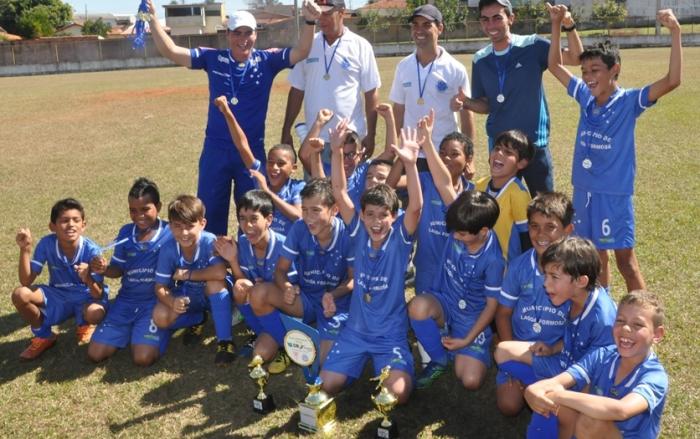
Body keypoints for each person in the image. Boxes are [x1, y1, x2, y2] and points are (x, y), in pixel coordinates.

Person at [146, 0, 321, 235]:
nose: (243, 39)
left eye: (248, 32)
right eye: (237, 33)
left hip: (250, 153)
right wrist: (154, 20)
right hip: (216, 149)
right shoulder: (212, 58)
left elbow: (301, 51)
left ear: (255, 35)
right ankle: (213, 260)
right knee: (209, 209)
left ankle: (249, 262)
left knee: (253, 209)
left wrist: (310, 21)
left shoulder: (267, 61)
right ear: (228, 35)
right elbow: (172, 51)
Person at [547, 6, 682, 292]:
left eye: (595, 70)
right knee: (594, 259)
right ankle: (604, 310)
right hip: (584, 191)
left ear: (615, 70)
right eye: (584, 71)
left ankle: (645, 317)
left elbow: (672, 81)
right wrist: (557, 24)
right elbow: (555, 66)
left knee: (626, 263)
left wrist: (676, 32)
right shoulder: (585, 96)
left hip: (613, 194)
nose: (588, 77)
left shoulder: (630, 101)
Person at [319, 121, 423, 405]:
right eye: (371, 215)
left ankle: (388, 366)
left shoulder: (401, 238)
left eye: (383, 215)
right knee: (323, 386)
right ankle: (355, 367)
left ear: (393, 216)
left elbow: (416, 206)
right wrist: (337, 150)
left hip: (390, 335)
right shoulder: (358, 231)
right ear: (362, 216)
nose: (377, 222)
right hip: (355, 331)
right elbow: (339, 190)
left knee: (397, 396)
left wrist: (411, 164)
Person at [453, 0, 583, 196]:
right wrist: (467, 102)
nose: (491, 25)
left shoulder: (532, 45)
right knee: (503, 209)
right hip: (500, 148)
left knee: (544, 205)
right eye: (485, 20)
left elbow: (576, 57)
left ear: (511, 19)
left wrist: (568, 25)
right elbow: (486, 104)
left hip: (534, 145)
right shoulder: (480, 59)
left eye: (497, 18)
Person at [494, 237, 617, 437]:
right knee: (502, 351)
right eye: (545, 276)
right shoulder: (573, 295)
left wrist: (554, 388)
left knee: (541, 429)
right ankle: (540, 389)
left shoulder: (603, 318)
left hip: (583, 382)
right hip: (562, 362)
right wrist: (554, 348)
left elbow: (595, 370)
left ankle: (551, 401)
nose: (546, 284)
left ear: (580, 280)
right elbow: (577, 340)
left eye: (553, 277)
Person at [525, 290, 668, 439]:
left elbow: (621, 410)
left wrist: (558, 395)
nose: (626, 328)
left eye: (638, 324)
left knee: (590, 420)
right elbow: (554, 383)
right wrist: (531, 391)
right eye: (620, 321)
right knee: (551, 402)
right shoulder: (603, 355)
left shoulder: (655, 376)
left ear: (657, 335)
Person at [248, 178, 353, 373]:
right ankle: (289, 345)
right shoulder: (299, 228)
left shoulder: (347, 234)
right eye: (304, 209)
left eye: (316, 210)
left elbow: (353, 279)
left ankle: (311, 340)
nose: (308, 217)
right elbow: (280, 270)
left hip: (336, 305)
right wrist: (286, 286)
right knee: (258, 293)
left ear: (334, 210)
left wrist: (334, 295)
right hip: (305, 299)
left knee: (322, 367)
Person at [409, 190, 504, 390]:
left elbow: (491, 306)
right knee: (417, 307)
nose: (454, 236)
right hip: (445, 301)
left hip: (471, 319)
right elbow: (443, 183)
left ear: (483, 231)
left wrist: (466, 340)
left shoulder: (494, 260)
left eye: (461, 234)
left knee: (470, 381)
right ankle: (439, 358)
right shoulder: (463, 223)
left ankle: (470, 346)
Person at [494, 192, 574, 416]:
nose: (541, 234)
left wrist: (557, 348)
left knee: (560, 410)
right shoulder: (519, 267)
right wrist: (511, 353)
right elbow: (503, 313)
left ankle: (543, 385)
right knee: (508, 405)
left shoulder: (575, 271)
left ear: (567, 231)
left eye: (551, 227)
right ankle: (524, 378)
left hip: (558, 353)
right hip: (522, 349)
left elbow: (581, 326)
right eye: (534, 226)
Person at [281, 0, 380, 168]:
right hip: (315, 140)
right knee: (316, 192)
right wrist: (286, 130)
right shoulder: (307, 44)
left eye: (327, 13)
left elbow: (371, 93)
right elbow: (297, 90)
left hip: (349, 140)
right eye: (319, 14)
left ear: (342, 12)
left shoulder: (360, 46)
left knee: (348, 192)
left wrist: (371, 134)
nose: (321, 19)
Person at [88, 178, 172, 366]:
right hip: (126, 301)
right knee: (95, 354)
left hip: (154, 302)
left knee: (142, 358)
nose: (139, 215)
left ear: (158, 206)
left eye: (145, 209)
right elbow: (118, 269)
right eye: (133, 210)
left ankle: (158, 331)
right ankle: (131, 331)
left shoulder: (170, 232)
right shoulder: (126, 232)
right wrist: (104, 269)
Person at [11, 198, 107, 360]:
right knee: (20, 294)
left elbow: (97, 295)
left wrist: (88, 278)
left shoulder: (93, 250)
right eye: (64, 220)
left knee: (95, 314)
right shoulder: (46, 244)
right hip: (58, 294)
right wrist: (25, 250)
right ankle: (44, 336)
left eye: (76, 220)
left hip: (86, 295)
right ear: (52, 226)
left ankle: (85, 324)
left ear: (83, 225)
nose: (71, 224)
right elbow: (26, 282)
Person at [214, 190, 298, 357]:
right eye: (242, 219)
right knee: (239, 286)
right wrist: (232, 260)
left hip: (287, 309)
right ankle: (264, 333)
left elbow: (294, 288)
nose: (247, 226)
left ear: (269, 219)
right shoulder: (244, 242)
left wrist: (265, 288)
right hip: (261, 307)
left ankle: (288, 340)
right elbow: (243, 281)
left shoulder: (284, 245)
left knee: (258, 293)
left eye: (254, 219)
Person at [152, 195, 234, 365]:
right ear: (170, 226)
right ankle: (198, 318)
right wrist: (171, 300)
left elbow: (220, 272)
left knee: (214, 282)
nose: (184, 233)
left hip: (213, 293)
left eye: (190, 226)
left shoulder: (209, 241)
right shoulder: (168, 249)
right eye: (178, 226)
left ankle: (225, 342)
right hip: (189, 295)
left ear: (202, 224)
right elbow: (160, 286)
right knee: (159, 317)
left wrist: (187, 274)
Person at [389, 4, 475, 160]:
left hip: (444, 153)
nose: (419, 30)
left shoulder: (455, 68)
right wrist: (393, 148)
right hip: (411, 152)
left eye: (426, 25)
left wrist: (469, 158)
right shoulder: (403, 66)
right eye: (415, 25)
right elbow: (399, 110)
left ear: (440, 28)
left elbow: (466, 114)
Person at [214, 96, 305, 236]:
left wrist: (267, 191)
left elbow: (298, 216)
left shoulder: (297, 187)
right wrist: (227, 113)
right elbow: (242, 146)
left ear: (293, 168)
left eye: (281, 164)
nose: (274, 168)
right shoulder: (261, 176)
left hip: (286, 252)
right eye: (270, 162)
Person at [302, 104, 397, 207]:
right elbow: (304, 155)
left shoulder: (366, 171)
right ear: (332, 155)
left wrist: (389, 118)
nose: (346, 160)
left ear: (360, 155)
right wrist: (318, 123)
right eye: (341, 155)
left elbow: (390, 153)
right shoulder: (327, 170)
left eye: (351, 154)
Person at [476, 129, 533, 261]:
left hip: (505, 271)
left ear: (521, 163)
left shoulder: (519, 195)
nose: (499, 153)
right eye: (496, 148)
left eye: (508, 152)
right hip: (479, 265)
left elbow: (526, 238)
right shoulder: (480, 185)